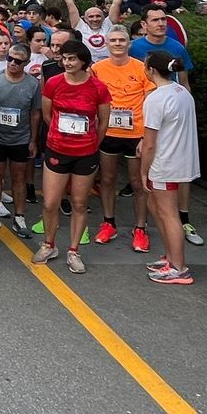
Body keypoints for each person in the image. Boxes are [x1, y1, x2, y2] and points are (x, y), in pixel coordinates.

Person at [32, 41, 111, 275]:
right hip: (57, 149)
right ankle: (48, 244)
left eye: (72, 59)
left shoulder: (98, 87)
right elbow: (47, 114)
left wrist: (91, 143)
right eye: (65, 58)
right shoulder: (54, 83)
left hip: (86, 153)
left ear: (83, 61)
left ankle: (74, 250)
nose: (67, 62)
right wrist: (60, 135)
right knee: (50, 202)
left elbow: (103, 121)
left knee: (79, 203)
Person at [129, 3, 200, 244]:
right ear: (144, 24)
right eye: (156, 20)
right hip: (147, 118)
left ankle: (184, 220)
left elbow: (185, 82)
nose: (161, 24)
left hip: (173, 118)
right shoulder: (135, 48)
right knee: (153, 180)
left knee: (180, 174)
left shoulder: (177, 47)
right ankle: (148, 226)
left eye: (164, 20)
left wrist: (188, 114)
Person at [90, 25, 155, 252]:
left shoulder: (142, 69)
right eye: (113, 41)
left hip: (136, 133)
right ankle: (109, 223)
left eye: (121, 40)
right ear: (106, 44)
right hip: (108, 133)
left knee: (138, 183)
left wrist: (146, 136)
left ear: (129, 43)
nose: (117, 44)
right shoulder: (97, 69)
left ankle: (140, 228)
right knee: (106, 180)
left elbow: (150, 103)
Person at [140, 51, 200, 285]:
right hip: (181, 158)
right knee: (155, 205)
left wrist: (144, 171)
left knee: (168, 213)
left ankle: (179, 267)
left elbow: (150, 142)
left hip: (165, 162)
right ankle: (171, 257)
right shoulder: (182, 92)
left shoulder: (156, 98)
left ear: (152, 70)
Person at [0, 43, 40, 240]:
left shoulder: (32, 84)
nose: (12, 63)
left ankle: (20, 216)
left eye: (18, 61)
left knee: (19, 177)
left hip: (20, 139)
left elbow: (35, 114)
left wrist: (33, 140)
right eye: (10, 59)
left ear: (26, 63)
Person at [53, 0, 117, 62]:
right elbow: (69, 3)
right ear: (85, 19)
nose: (95, 19)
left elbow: (116, 2)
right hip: (88, 65)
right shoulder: (80, 26)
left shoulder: (108, 24)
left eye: (98, 16)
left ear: (103, 18)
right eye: (91, 16)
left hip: (108, 64)